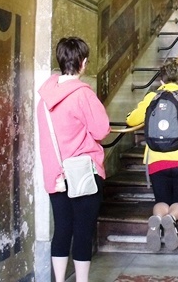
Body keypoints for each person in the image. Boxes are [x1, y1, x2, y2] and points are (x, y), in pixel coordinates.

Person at [36, 37, 111, 282]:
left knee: (62, 229)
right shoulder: (82, 94)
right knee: (82, 231)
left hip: (55, 175)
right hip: (82, 172)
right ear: (84, 63)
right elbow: (101, 130)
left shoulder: (44, 98)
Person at [125, 61, 178, 252]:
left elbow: (131, 120)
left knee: (161, 200)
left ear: (161, 80)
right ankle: (171, 218)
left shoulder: (152, 97)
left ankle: (156, 219)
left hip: (157, 159)